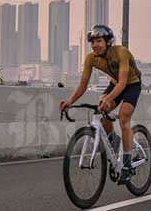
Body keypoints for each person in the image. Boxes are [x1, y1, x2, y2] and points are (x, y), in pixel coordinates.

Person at [59, 24, 142, 185]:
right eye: (92, 42)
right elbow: (83, 85)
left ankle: (127, 162)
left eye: (98, 41)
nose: (95, 45)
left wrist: (108, 97)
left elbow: (123, 83)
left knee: (124, 118)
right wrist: (70, 101)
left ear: (108, 42)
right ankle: (113, 140)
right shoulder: (91, 59)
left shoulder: (121, 52)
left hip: (131, 84)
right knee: (101, 107)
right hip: (115, 83)